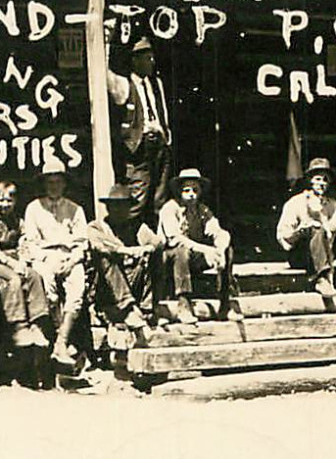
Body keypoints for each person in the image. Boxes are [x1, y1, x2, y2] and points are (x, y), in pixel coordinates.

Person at [20, 157, 90, 368]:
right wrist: (45, 259)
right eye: (50, 182)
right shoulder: (34, 208)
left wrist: (71, 261)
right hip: (44, 255)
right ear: (43, 184)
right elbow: (30, 242)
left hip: (68, 256)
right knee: (48, 287)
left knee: (77, 286)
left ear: (64, 184)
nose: (54, 186)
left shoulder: (75, 209)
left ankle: (61, 342)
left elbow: (82, 242)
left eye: (58, 182)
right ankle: (62, 338)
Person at [275, 157, 336, 297]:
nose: (321, 184)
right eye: (317, 179)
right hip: (301, 255)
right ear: (310, 180)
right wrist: (302, 231)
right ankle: (321, 280)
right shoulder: (296, 203)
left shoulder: (331, 204)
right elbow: (283, 236)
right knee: (316, 228)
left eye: (325, 180)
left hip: (325, 256)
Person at [157, 168, 234, 325]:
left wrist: (220, 250)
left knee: (228, 251)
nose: (191, 194)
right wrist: (207, 250)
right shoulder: (170, 209)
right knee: (181, 251)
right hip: (168, 258)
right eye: (186, 190)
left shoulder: (202, 210)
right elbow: (176, 239)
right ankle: (183, 303)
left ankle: (225, 302)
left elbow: (219, 231)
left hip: (193, 257)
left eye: (195, 190)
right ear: (179, 191)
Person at [107, 37, 172, 222]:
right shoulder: (125, 84)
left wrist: (167, 137)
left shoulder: (156, 83)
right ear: (135, 60)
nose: (152, 62)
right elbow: (105, 76)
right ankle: (130, 240)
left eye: (152, 58)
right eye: (147, 58)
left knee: (160, 195)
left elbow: (163, 111)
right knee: (138, 195)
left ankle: (157, 242)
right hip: (140, 146)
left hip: (160, 143)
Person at [85, 183, 162, 332]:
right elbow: (98, 244)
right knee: (105, 258)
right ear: (108, 207)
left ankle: (147, 309)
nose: (121, 211)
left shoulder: (135, 226)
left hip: (132, 283)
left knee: (153, 256)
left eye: (125, 206)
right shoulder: (97, 226)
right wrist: (124, 250)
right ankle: (128, 308)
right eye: (116, 206)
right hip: (105, 290)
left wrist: (147, 248)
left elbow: (157, 242)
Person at [0, 179, 51, 350]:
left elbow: (24, 242)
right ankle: (19, 326)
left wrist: (23, 261)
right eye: (1, 200)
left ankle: (37, 324)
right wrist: (13, 264)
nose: (5, 205)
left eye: (9, 201)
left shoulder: (17, 220)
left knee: (34, 276)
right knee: (13, 280)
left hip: (16, 258)